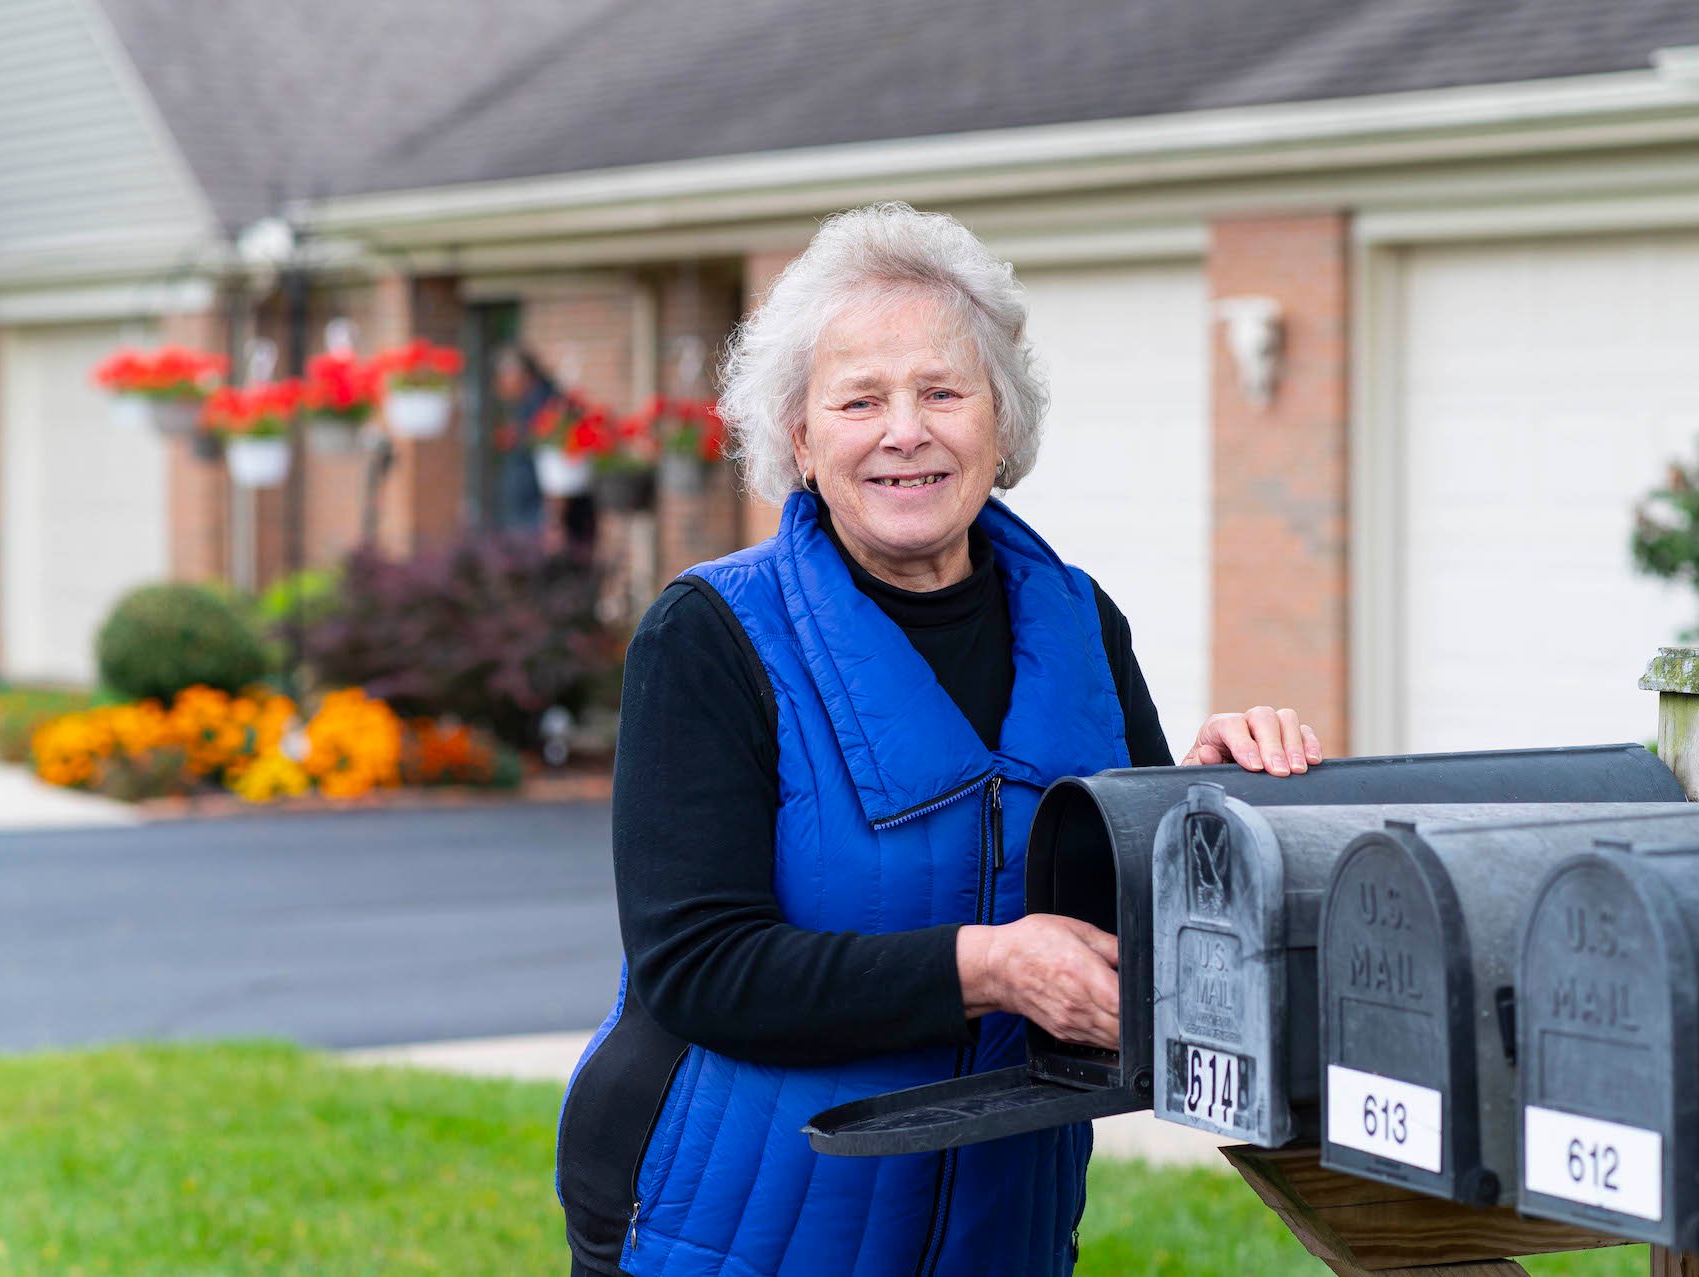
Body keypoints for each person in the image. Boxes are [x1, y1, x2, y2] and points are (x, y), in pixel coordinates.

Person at [556, 202, 1323, 1277]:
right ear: (801, 438)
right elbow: (699, 966)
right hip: (735, 1219)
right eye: (860, 399)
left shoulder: (1079, 621)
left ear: (1000, 426)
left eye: (942, 391)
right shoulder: (712, 633)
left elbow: (1140, 912)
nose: (904, 430)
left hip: (1001, 1218)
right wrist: (992, 967)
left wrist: (1212, 792)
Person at [493, 345, 596, 550]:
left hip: (542, 520)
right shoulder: (530, 403)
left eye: (503, 376)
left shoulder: (547, 406)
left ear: (520, 374)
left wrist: (553, 523)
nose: (499, 385)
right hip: (529, 515)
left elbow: (558, 469)